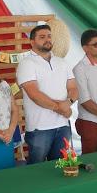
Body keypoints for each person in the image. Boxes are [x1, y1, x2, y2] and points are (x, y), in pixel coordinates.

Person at [16, 24, 78, 164]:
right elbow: (34, 94)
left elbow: (74, 88)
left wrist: (68, 103)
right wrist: (61, 109)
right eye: (42, 37)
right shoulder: (26, 63)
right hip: (39, 128)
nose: (47, 39)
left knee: (60, 167)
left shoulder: (62, 62)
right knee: (36, 170)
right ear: (32, 42)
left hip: (63, 125)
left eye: (49, 36)